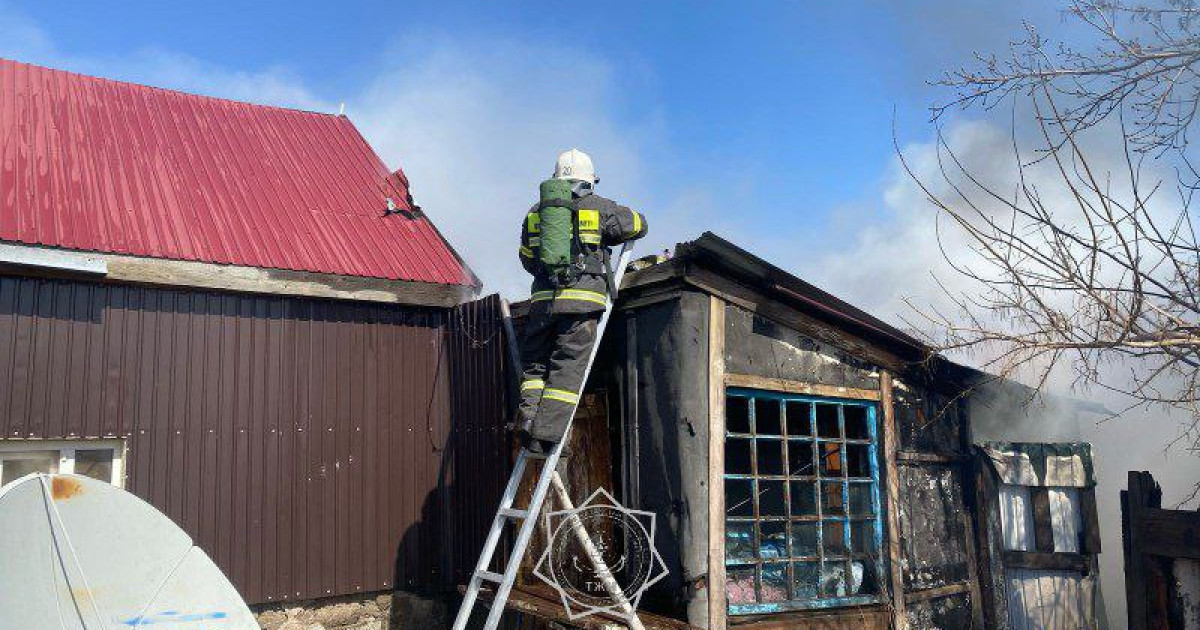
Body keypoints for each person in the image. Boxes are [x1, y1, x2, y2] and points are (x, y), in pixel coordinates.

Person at [516, 149, 648, 453]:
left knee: (535, 366)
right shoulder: (599, 207)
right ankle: (545, 437)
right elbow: (639, 224)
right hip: (581, 303)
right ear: (589, 180)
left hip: (542, 303)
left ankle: (527, 424)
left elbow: (526, 259)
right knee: (566, 367)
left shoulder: (536, 213)